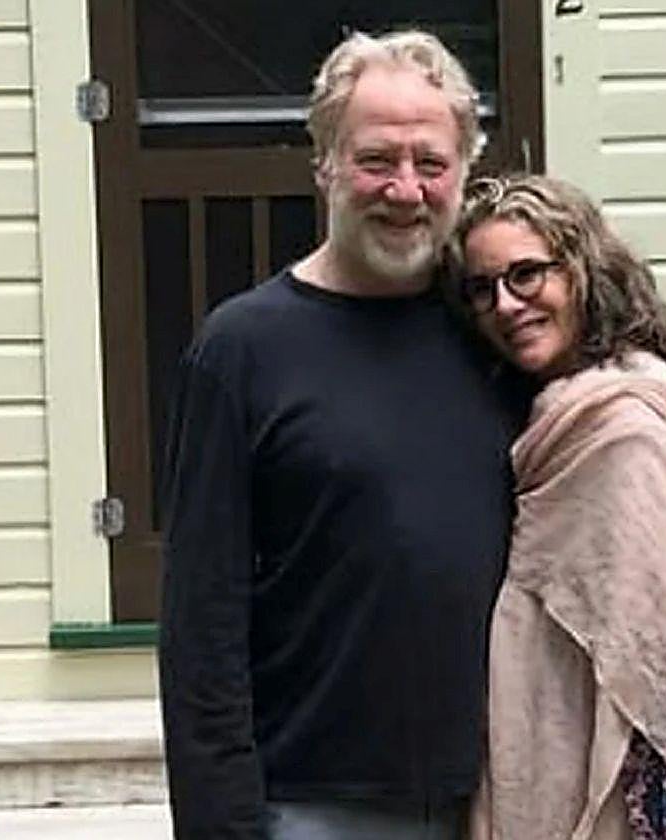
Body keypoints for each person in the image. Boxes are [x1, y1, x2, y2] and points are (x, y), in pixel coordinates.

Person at [158, 31, 521, 840]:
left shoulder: (499, 329)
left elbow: (615, 431)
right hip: (308, 805)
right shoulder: (241, 351)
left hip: (502, 796)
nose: (405, 189)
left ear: (465, 171)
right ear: (324, 164)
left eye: (431, 163)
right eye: (376, 160)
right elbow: (200, 628)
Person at [450, 174, 666, 840]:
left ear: (582, 270)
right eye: (483, 289)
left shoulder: (626, 430)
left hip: (626, 792)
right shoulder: (536, 413)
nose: (506, 304)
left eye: (526, 274)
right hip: (546, 750)